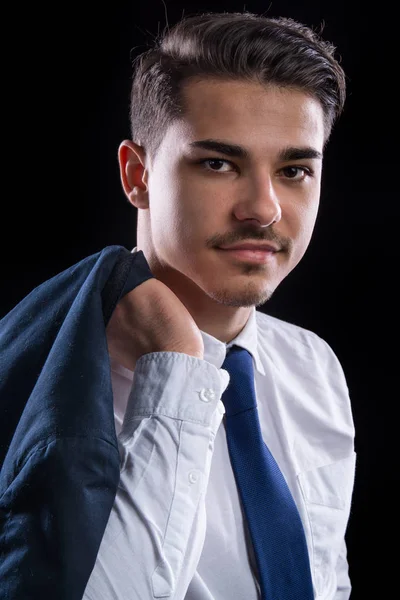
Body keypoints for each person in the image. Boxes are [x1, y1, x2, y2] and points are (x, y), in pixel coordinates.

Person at [0, 10, 356, 600]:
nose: (263, 209)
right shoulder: (49, 387)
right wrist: (178, 363)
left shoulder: (313, 368)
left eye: (294, 170)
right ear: (136, 174)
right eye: (219, 163)